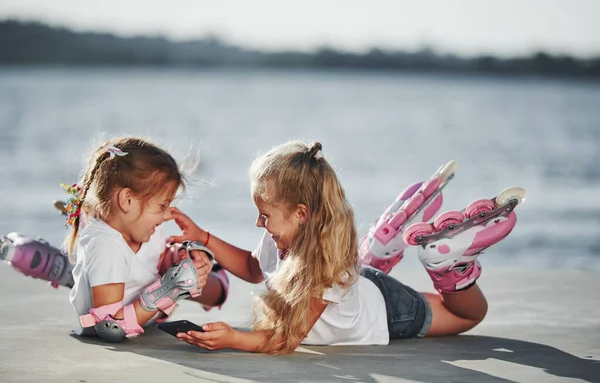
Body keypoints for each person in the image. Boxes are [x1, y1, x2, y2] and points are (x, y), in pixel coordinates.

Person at [166, 140, 522, 354]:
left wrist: (234, 340)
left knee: (468, 315)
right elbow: (252, 267)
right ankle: (378, 252)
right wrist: (204, 236)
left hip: (388, 310)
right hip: (358, 283)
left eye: (264, 215)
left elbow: (286, 339)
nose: (259, 223)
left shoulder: (322, 270)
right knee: (353, 275)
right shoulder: (283, 233)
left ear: (301, 213)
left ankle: (450, 268)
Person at [57, 137, 228, 341]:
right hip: (132, 319)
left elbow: (156, 260)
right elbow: (109, 327)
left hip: (148, 313)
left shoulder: (144, 228)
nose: (167, 216)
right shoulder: (106, 248)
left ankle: (64, 270)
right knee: (213, 286)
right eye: (162, 206)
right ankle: (57, 267)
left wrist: (181, 258)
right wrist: (169, 289)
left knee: (214, 284)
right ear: (127, 200)